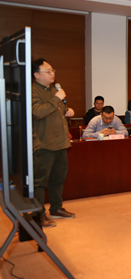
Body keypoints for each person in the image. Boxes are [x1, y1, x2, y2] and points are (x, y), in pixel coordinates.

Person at [31, 58, 76, 227]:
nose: (52, 74)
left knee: (58, 179)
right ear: (36, 75)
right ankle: (38, 215)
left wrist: (67, 111)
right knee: (39, 182)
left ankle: (56, 208)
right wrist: (56, 99)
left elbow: (55, 111)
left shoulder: (54, 90)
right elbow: (37, 112)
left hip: (60, 142)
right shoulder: (32, 91)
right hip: (44, 144)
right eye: (48, 71)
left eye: (53, 70)